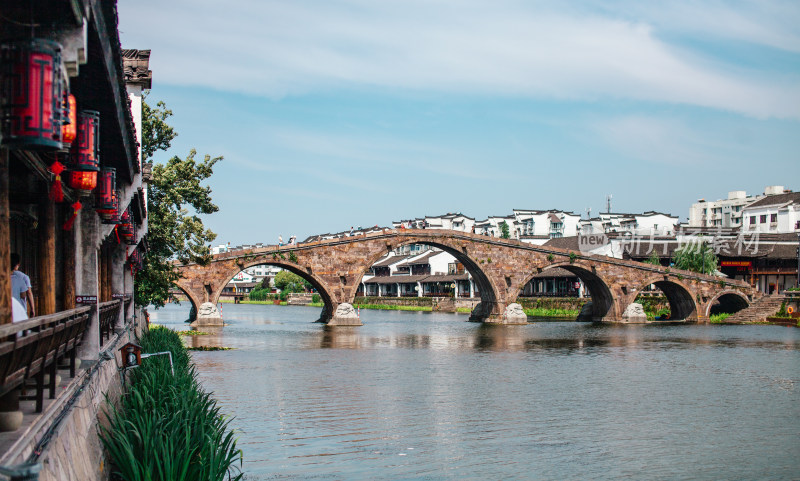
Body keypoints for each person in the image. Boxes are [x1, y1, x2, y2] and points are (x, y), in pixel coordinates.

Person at [10, 253, 35, 318]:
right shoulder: (23, 277)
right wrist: (32, 309)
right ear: (17, 264)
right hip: (19, 310)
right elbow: (27, 293)